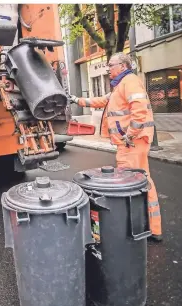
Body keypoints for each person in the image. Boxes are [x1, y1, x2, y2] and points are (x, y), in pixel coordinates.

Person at [70, 52, 162, 242]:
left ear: (122, 65)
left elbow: (140, 112)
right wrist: (75, 99)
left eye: (110, 65)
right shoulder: (120, 85)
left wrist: (129, 136)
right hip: (132, 142)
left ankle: (136, 229)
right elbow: (100, 101)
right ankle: (151, 227)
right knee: (141, 179)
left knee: (130, 184)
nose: (108, 68)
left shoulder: (130, 82)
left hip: (132, 143)